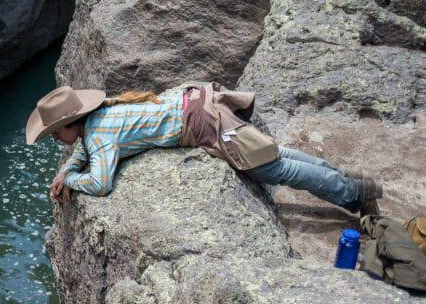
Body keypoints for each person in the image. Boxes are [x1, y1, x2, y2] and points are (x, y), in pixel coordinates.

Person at [25, 83, 382, 215]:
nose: (57, 139)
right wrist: (67, 169)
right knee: (274, 152)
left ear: (74, 123)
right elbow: (85, 148)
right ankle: (347, 178)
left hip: (204, 124)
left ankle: (353, 194)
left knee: (274, 169)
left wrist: (73, 182)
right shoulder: (102, 114)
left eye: (58, 132)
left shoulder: (100, 135)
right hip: (196, 98)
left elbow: (101, 183)